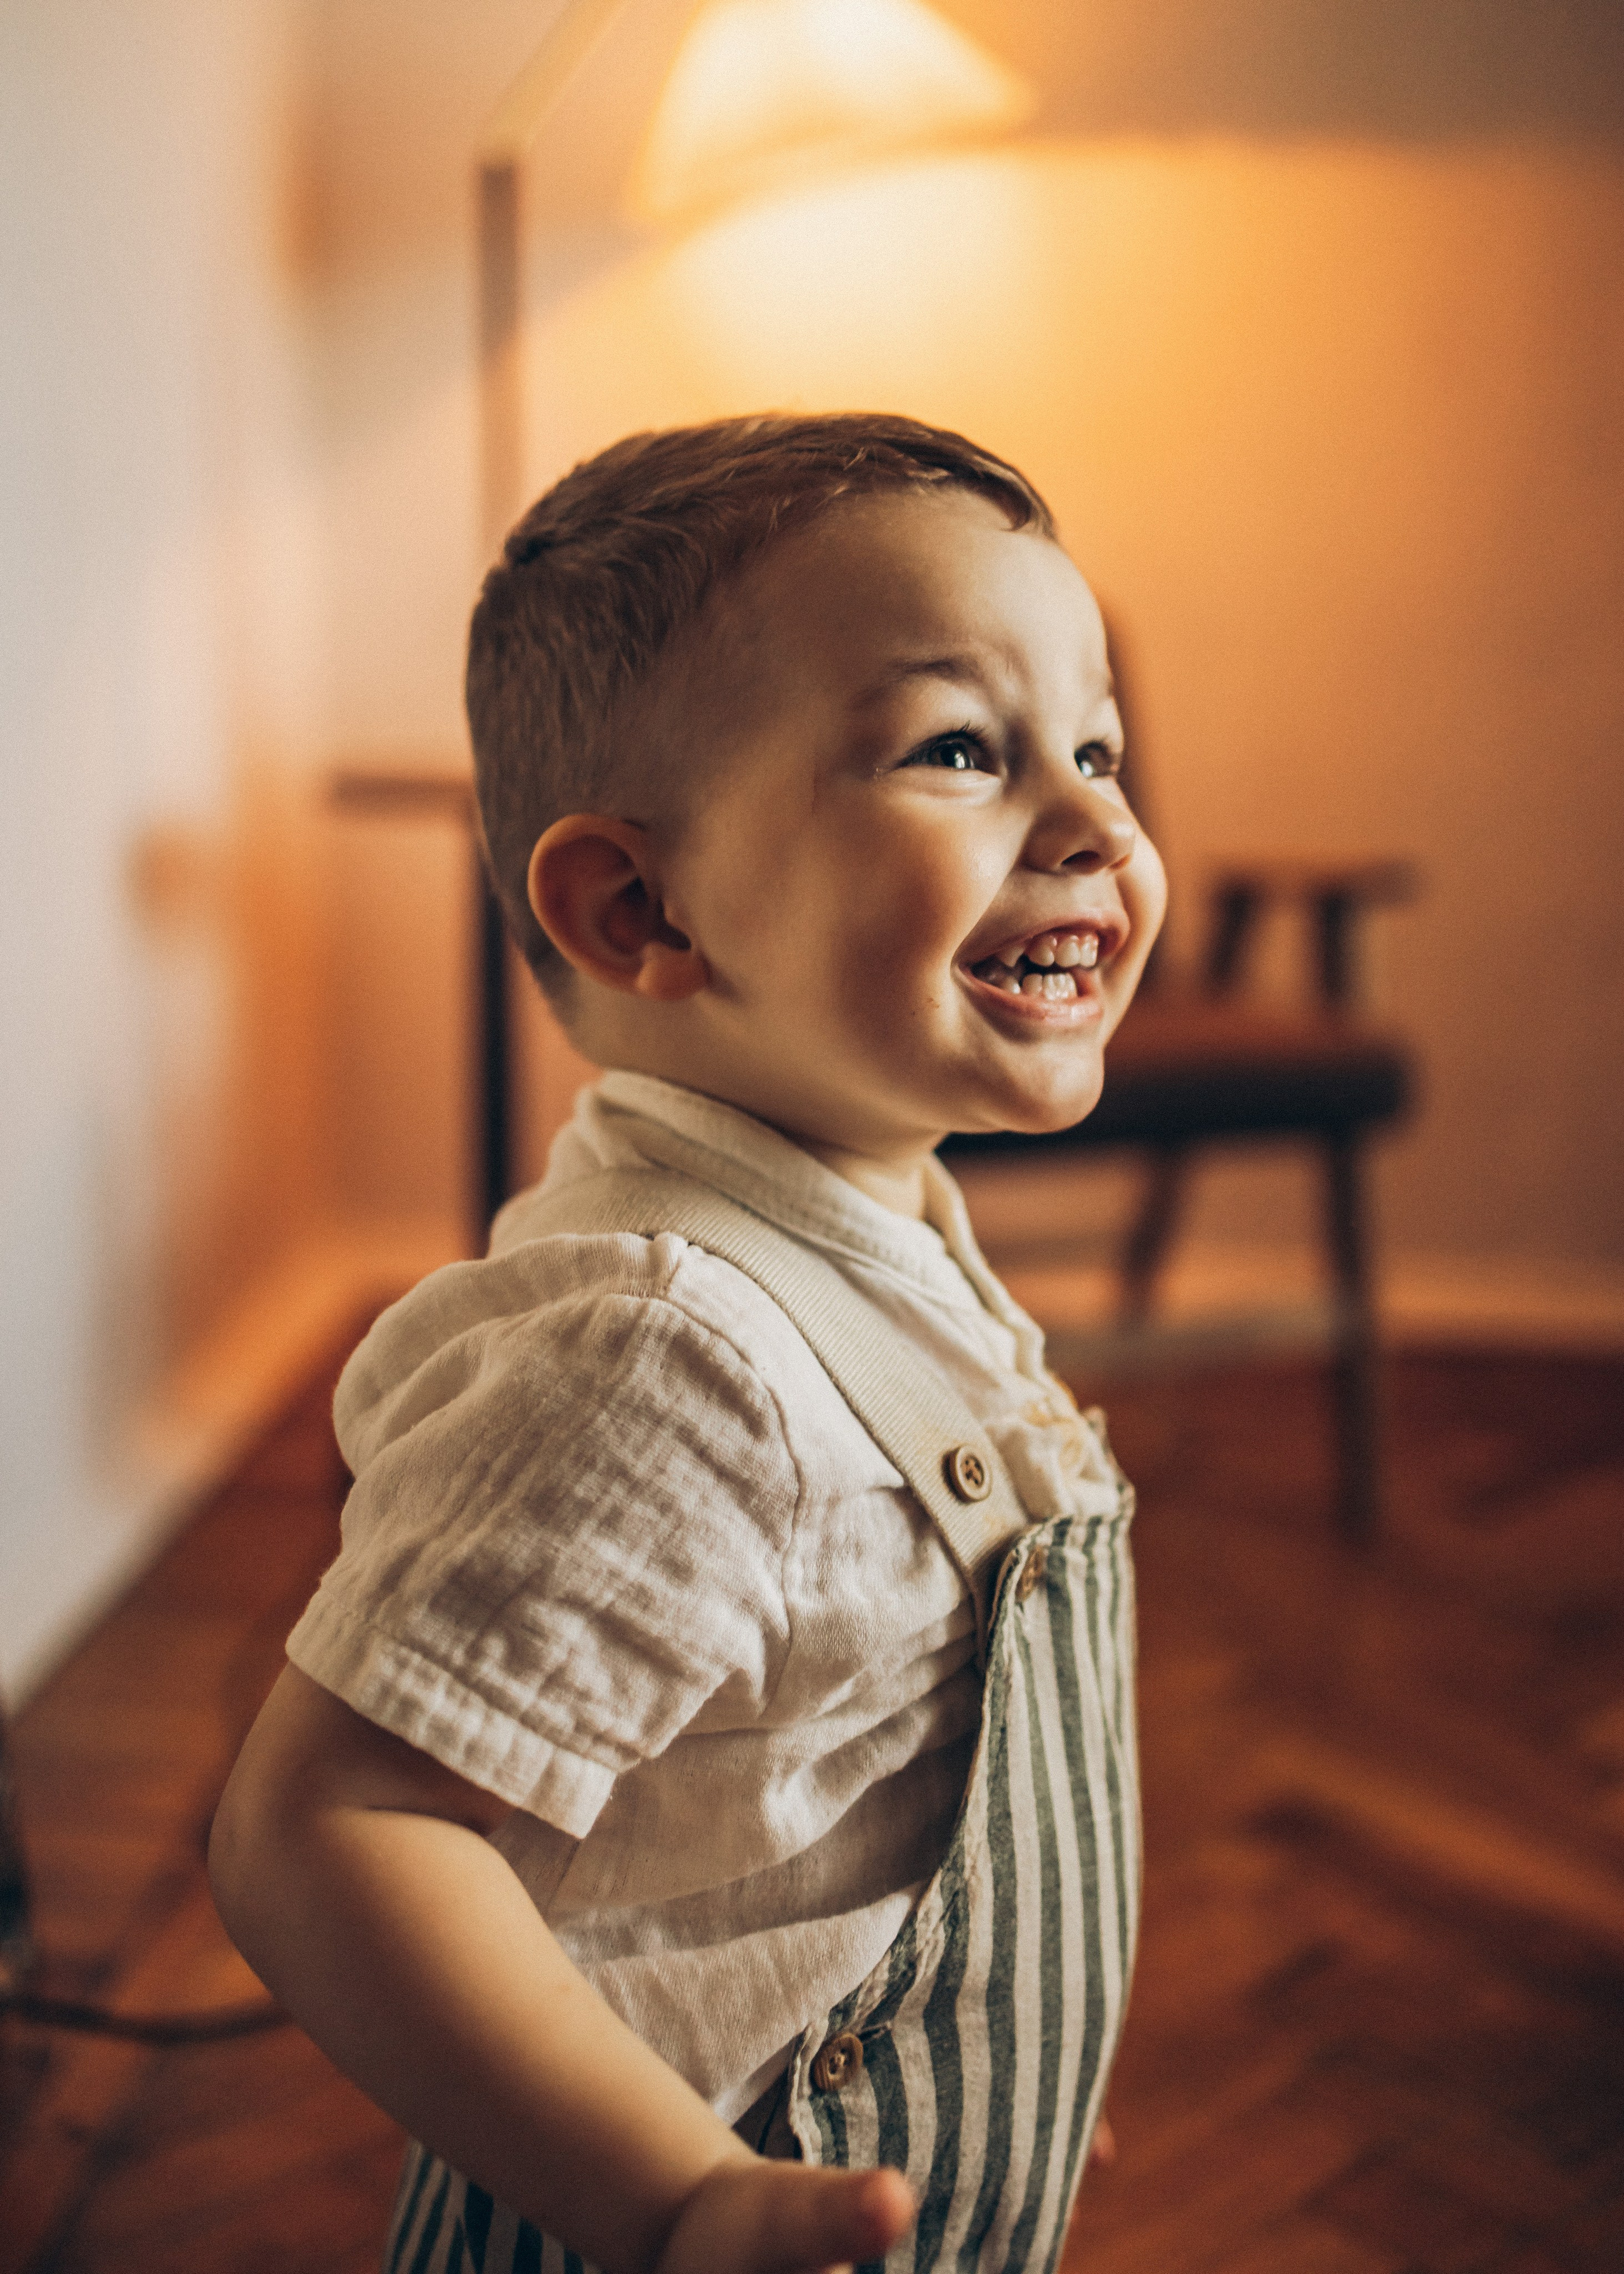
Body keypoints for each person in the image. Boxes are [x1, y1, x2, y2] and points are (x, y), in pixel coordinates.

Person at [209, 411, 1167, 2274]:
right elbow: (325, 1828)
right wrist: (676, 2198)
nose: (1097, 824)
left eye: (1099, 747)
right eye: (964, 750)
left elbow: (838, 1803)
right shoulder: (666, 1354)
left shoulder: (873, 1226)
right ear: (638, 908)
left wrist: (1009, 2055)